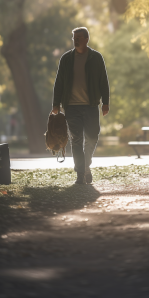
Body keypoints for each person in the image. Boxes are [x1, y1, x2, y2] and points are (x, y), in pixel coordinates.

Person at [52, 27, 109, 184]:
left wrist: (106, 102)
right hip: (72, 107)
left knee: (92, 136)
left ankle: (86, 166)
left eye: (78, 37)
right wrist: (56, 103)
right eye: (73, 37)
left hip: (91, 106)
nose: (75, 40)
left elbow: (103, 81)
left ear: (86, 39)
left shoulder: (96, 58)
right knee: (76, 140)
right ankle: (80, 174)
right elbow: (59, 83)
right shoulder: (66, 59)